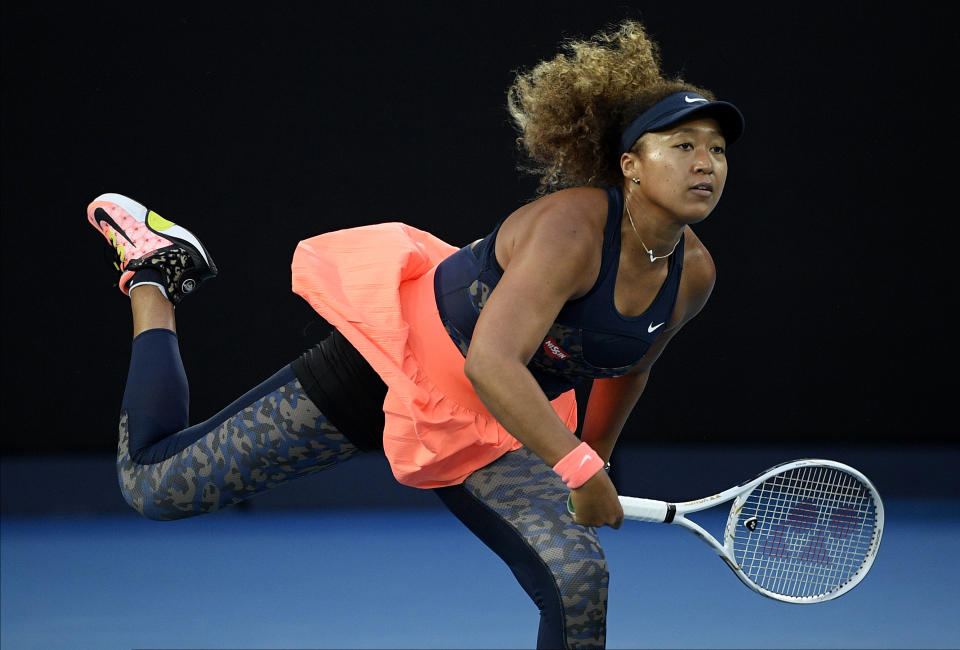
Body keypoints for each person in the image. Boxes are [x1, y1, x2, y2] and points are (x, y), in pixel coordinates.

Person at [88, 20, 744, 650]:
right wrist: (574, 465)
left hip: (496, 428)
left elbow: (630, 365)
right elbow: (492, 359)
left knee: (579, 577)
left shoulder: (695, 274)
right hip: (396, 366)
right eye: (682, 146)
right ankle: (156, 275)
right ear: (631, 165)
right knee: (155, 488)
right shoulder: (572, 228)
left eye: (716, 149)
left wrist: (595, 457)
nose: (705, 163)